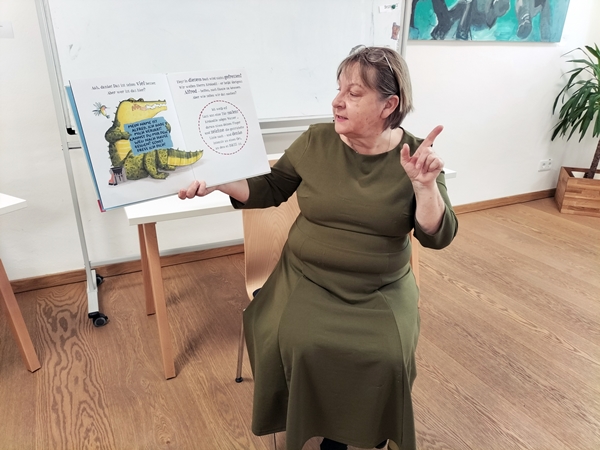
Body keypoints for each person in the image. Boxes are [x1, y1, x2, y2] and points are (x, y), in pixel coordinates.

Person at [179, 46, 458, 450]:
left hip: (380, 288)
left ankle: (363, 430)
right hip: (305, 279)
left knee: (387, 356)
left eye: (354, 93)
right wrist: (220, 181)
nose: (337, 101)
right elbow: (271, 187)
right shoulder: (316, 140)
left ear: (389, 105)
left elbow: (437, 235)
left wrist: (425, 187)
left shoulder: (415, 158)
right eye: (338, 89)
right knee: (300, 342)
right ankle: (321, 427)